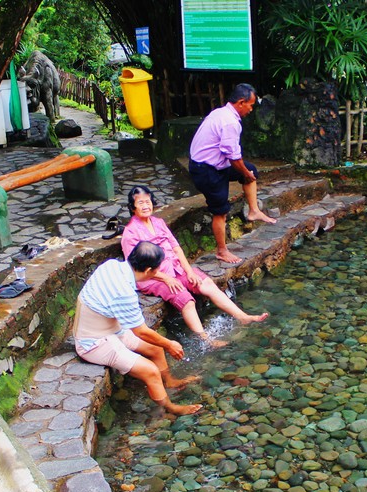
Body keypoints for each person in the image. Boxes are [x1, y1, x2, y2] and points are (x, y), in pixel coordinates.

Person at [121, 186, 268, 347]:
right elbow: (136, 267)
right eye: (140, 203)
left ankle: (242, 317)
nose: (145, 206)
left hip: (176, 268)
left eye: (148, 202)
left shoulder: (158, 222)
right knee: (187, 301)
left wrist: (189, 271)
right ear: (133, 207)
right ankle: (206, 340)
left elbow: (176, 248)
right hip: (153, 278)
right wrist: (167, 279)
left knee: (206, 283)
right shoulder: (130, 233)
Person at [73, 241, 203, 416]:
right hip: (94, 343)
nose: (158, 272)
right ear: (148, 270)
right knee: (151, 371)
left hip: (111, 330)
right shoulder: (124, 292)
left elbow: (146, 275)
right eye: (157, 270)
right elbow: (141, 331)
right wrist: (170, 344)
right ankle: (170, 408)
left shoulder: (112, 265)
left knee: (156, 348)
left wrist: (164, 278)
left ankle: (169, 381)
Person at [189, 83, 276, 264]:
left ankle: (253, 211)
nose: (251, 109)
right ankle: (222, 251)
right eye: (251, 105)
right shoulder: (229, 122)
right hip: (205, 170)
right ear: (241, 102)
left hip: (215, 163)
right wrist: (245, 173)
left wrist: (247, 172)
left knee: (251, 170)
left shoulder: (221, 112)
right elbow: (234, 157)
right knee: (220, 210)